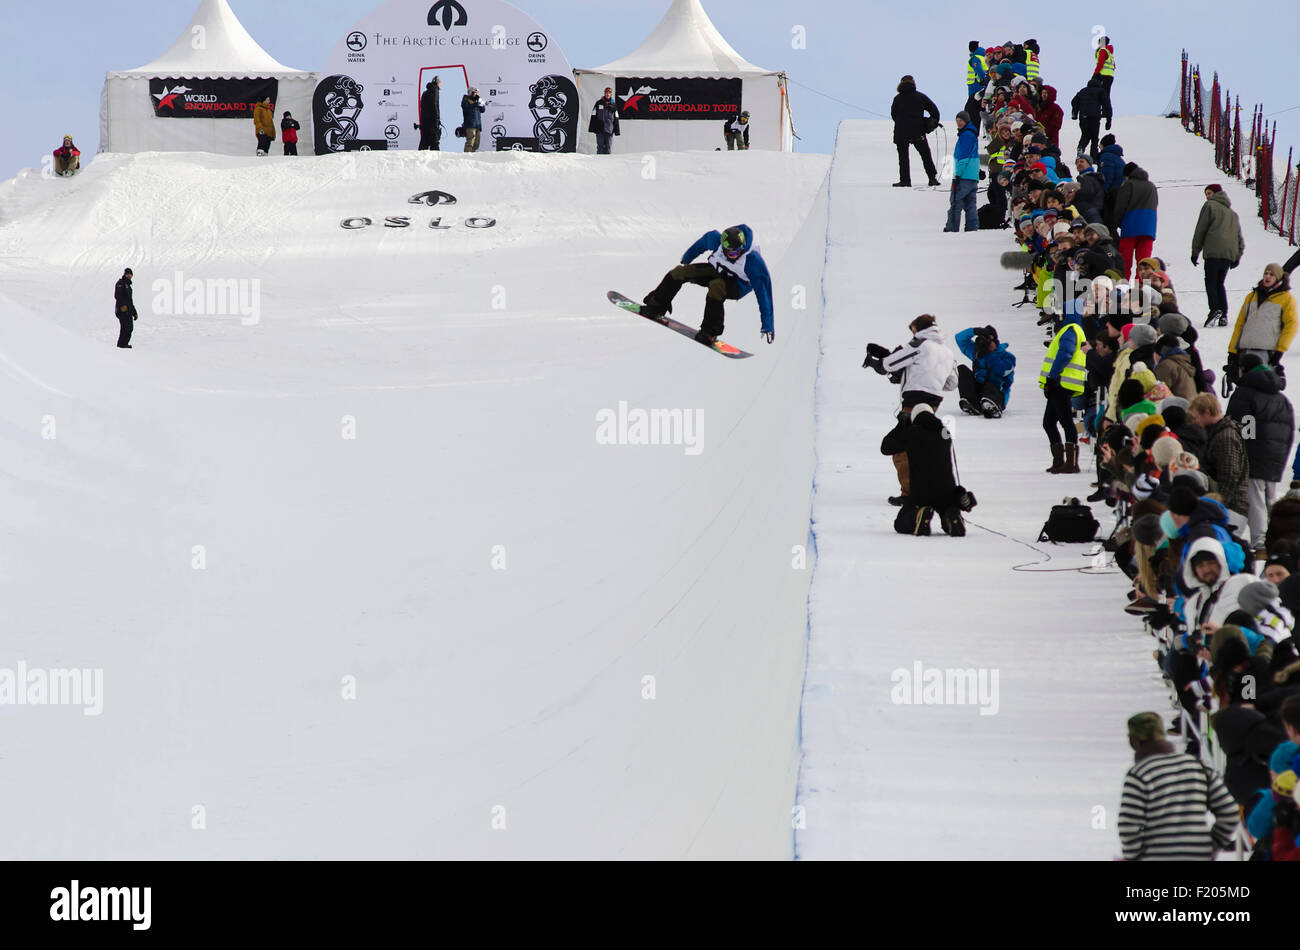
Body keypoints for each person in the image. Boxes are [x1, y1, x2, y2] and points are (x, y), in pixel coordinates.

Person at [1118, 711, 1239, 860]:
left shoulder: (1139, 774)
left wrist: (1133, 857)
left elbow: (1128, 826)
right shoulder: (1197, 767)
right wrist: (1211, 845)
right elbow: (1230, 811)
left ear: (1134, 741)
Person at [639, 225, 774, 347]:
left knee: (717, 286)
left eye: (738, 252)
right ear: (724, 247)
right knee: (679, 272)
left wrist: (768, 325)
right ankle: (657, 305)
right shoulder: (716, 240)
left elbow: (764, 292)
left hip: (738, 285)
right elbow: (702, 243)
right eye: (731, 254)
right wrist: (687, 257)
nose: (735, 256)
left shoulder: (753, 261)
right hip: (717, 270)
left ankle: (710, 331)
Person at [1227, 354, 1295, 551]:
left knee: (1253, 495)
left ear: (1244, 369)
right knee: (1270, 497)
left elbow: (1235, 424)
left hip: (1252, 451)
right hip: (1276, 452)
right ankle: (1276, 536)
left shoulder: (1244, 393)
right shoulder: (1280, 397)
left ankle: (1260, 539)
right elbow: (1289, 428)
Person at [880, 404, 971, 537]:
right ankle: (951, 515)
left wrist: (902, 425)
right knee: (946, 507)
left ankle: (918, 514)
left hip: (921, 492)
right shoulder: (944, 433)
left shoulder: (912, 433)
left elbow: (886, 447)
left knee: (901, 524)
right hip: (946, 491)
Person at [1227, 263, 1296, 382]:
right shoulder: (1251, 296)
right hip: (1246, 349)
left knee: (1262, 386)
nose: (1267, 277)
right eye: (1266, 273)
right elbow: (1240, 325)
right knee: (1243, 386)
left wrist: (1280, 351)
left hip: (1267, 352)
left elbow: (1291, 326)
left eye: (1272, 274)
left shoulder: (1286, 299)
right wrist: (1232, 351)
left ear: (1278, 278)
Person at [1188, 392, 1250, 517]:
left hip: (1231, 508)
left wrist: (1217, 505)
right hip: (1225, 506)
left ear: (1206, 412)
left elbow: (1230, 476)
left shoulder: (1225, 437)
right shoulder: (1217, 433)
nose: (1195, 422)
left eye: (1196, 417)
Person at [1191, 184, 1245, 328]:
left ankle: (1215, 310)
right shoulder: (1232, 213)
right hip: (1228, 254)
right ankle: (1224, 315)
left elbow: (1200, 229)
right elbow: (1239, 236)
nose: (1207, 196)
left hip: (1213, 252)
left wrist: (1195, 252)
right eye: (1206, 194)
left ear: (1216, 193)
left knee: (1210, 282)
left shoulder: (1209, 206)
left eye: (1209, 193)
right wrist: (1237, 255)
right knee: (1219, 283)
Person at [1040, 316, 1087, 473]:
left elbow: (1065, 354)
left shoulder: (1070, 330)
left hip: (1061, 382)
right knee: (1049, 422)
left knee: (1065, 421)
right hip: (1062, 382)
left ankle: (1070, 463)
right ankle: (1060, 461)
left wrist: (1052, 376)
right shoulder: (1074, 330)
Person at [891, 75, 941, 188]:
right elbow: (935, 111)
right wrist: (929, 123)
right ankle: (932, 178)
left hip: (901, 131)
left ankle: (905, 180)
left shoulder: (897, 98)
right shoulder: (920, 97)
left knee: (903, 157)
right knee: (925, 155)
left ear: (901, 84)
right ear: (913, 83)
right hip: (918, 131)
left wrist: (901, 122)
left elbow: (894, 115)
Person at [955, 325, 1015, 418]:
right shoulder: (978, 354)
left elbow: (1002, 371)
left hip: (997, 395)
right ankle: (972, 403)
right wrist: (974, 331)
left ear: (995, 341)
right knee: (961, 369)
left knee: (989, 384)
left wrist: (990, 356)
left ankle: (991, 405)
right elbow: (959, 339)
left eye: (989, 341)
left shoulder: (1007, 357)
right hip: (979, 392)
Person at [1111, 163, 1158, 280]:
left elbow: (1120, 206)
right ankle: (1141, 290)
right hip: (1148, 227)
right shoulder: (1151, 186)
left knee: (1125, 262)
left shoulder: (1128, 184)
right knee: (1144, 263)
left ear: (1127, 175)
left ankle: (1123, 288)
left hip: (1130, 226)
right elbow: (1155, 204)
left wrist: (1116, 223)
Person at [943, 112, 980, 233]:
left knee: (956, 201)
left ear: (966, 121)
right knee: (970, 203)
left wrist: (957, 174)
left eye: (961, 120)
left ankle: (952, 227)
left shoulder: (966, 135)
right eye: (957, 120)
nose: (959, 123)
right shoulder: (971, 134)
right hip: (972, 175)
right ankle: (972, 227)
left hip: (964, 175)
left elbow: (963, 157)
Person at [1071, 78, 1107, 166]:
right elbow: (1107, 103)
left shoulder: (1083, 91)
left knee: (1085, 135)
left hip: (1083, 117)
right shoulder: (1100, 91)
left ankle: (1081, 149)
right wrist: (1107, 117)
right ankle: (1093, 158)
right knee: (1094, 138)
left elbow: (1074, 101)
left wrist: (1075, 113)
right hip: (1094, 117)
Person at [1093, 36, 1116, 128]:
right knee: (1106, 94)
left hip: (1103, 75)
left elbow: (1100, 63)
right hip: (1110, 76)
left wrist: (1095, 73)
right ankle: (1106, 113)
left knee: (1100, 95)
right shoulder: (1109, 52)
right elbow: (1114, 65)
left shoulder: (1103, 50)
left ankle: (1104, 112)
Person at [589, 86, 620, 155]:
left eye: (609, 93)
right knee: (600, 148)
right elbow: (593, 115)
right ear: (604, 93)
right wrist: (592, 128)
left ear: (611, 94)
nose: (607, 94)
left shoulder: (613, 105)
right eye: (606, 93)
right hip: (600, 129)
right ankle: (599, 163)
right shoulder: (599, 103)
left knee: (608, 148)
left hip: (609, 129)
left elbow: (616, 118)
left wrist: (617, 131)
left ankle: (608, 164)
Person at [114, 268, 137, 349]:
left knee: (130, 328)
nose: (129, 276)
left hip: (128, 310)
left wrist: (134, 312)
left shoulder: (129, 287)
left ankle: (124, 344)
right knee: (125, 327)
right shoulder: (120, 283)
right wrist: (122, 306)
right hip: (122, 310)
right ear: (125, 274)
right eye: (127, 274)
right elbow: (117, 295)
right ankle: (121, 345)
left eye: (130, 274)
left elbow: (130, 301)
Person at [417, 77, 441, 150]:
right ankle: (436, 159)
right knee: (434, 141)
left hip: (424, 120)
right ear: (438, 83)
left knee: (424, 141)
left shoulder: (425, 92)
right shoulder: (435, 91)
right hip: (432, 121)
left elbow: (422, 106)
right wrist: (437, 118)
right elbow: (434, 104)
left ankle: (420, 158)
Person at [461, 87, 486, 152]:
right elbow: (465, 108)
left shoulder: (477, 100)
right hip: (470, 124)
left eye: (476, 93)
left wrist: (482, 104)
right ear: (470, 92)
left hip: (477, 125)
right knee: (470, 141)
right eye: (474, 92)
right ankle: (467, 155)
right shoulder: (466, 99)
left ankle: (472, 155)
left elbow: (483, 110)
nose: (476, 94)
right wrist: (475, 104)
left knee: (477, 143)